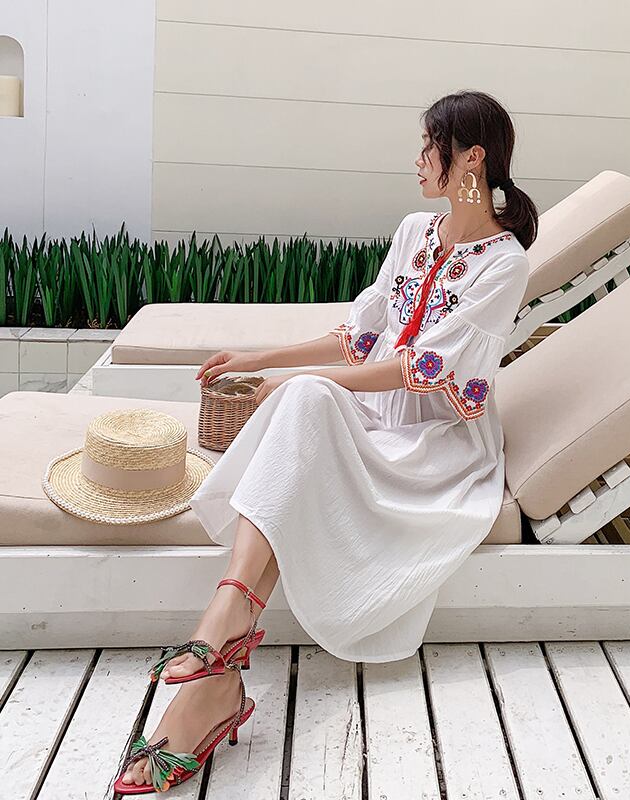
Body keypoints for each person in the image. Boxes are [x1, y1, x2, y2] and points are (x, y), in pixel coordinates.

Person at [116, 89, 539, 791]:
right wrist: (258, 360)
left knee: (309, 397)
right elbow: (359, 337)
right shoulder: (414, 231)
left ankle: (216, 660)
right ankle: (221, 652)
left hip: (435, 444)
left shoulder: (506, 263)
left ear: (472, 158)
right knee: (308, 400)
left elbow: (422, 368)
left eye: (429, 145)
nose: (417, 159)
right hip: (376, 419)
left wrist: (300, 379)